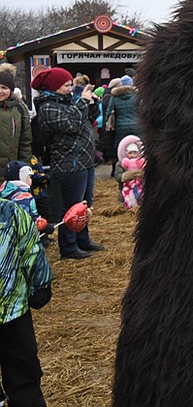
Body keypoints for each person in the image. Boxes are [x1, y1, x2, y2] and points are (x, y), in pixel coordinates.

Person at [30, 67, 104, 259]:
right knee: (71, 207)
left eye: (71, 84)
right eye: (66, 85)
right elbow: (70, 125)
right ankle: (68, 247)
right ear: (54, 87)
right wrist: (82, 102)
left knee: (85, 205)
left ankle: (83, 240)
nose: (70, 89)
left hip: (85, 160)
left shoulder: (69, 101)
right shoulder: (48, 107)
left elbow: (88, 118)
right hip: (68, 163)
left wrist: (92, 103)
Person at [0, 197, 53, 407]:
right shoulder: (9, 211)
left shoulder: (10, 212)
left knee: (23, 374)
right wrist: (41, 285)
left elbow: (31, 249)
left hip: (14, 311)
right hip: (13, 311)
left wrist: (40, 285)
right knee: (22, 374)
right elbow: (31, 251)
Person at [0, 70, 32, 170]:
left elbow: (25, 143)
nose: (0, 91)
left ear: (11, 90)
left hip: (10, 169)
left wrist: (25, 169)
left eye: (4, 88)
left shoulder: (20, 109)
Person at [104, 75, 140, 159]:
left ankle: (123, 166)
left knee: (122, 148)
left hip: (120, 127)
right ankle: (137, 167)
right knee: (138, 147)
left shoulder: (115, 96)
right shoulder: (137, 95)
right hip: (136, 126)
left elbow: (109, 112)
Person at [117, 134, 145, 209]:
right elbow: (118, 175)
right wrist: (126, 176)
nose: (133, 155)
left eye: (135, 153)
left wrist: (142, 174)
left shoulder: (141, 163)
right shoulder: (121, 163)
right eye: (130, 153)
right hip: (126, 187)